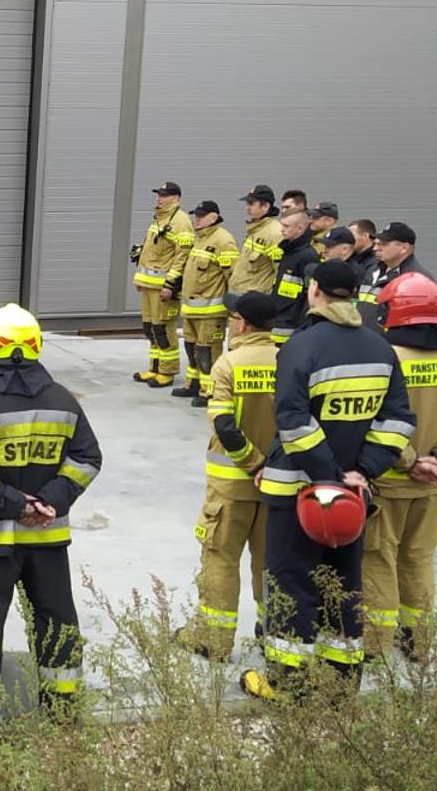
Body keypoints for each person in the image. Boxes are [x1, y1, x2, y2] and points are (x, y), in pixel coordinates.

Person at [243, 261, 414, 699]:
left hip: (300, 492)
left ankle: (288, 683)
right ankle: (341, 682)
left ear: (314, 290)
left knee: (290, 581)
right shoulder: (380, 349)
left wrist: (329, 478)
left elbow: (294, 422)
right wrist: (363, 471)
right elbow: (398, 420)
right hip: (354, 495)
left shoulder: (301, 347)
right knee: (344, 583)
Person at [0, 304, 102, 715]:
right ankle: (61, 706)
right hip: (47, 537)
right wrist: (50, 501)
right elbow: (88, 458)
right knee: (56, 619)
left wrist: (15, 504)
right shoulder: (62, 400)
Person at [362, 274, 437, 660]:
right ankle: (419, 642)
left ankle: (376, 645)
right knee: (417, 560)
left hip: (387, 481)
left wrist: (412, 461)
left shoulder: (384, 358)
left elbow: (371, 420)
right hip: (434, 483)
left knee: (379, 559)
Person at [177, 292, 278, 662]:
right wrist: (271, 468)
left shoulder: (228, 364)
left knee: (220, 560)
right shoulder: (290, 361)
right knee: (271, 564)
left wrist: (252, 464)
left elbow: (224, 424)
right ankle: (274, 636)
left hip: (233, 486)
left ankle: (213, 641)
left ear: (242, 323)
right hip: (277, 487)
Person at [175, 200, 238, 405]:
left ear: (214, 217)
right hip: (192, 310)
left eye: (201, 216)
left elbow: (231, 276)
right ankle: (193, 385)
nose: (197, 219)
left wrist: (233, 306)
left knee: (208, 352)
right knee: (192, 348)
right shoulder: (199, 239)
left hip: (211, 312)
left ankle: (210, 392)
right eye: (196, 216)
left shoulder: (223, 240)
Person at [133, 181, 195, 388]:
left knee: (163, 330)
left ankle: (167, 372)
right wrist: (139, 278)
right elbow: (149, 251)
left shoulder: (181, 221)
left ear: (176, 198)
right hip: (149, 286)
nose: (159, 198)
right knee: (150, 328)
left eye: (164, 195)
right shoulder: (159, 219)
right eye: (158, 194)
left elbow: (182, 256)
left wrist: (171, 285)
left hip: (164, 289)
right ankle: (154, 368)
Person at [357, 222, 434, 327]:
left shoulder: (417, 281)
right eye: (376, 243)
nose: (375, 248)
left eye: (383, 244)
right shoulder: (373, 270)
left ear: (404, 248)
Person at [268, 211, 317, 345]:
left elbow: (311, 295)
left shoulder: (307, 256)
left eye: (286, 226)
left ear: (300, 228)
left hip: (292, 325)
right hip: (279, 319)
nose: (281, 229)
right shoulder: (289, 251)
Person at [230, 185, 284, 299]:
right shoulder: (256, 230)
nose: (247, 208)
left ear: (265, 206)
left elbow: (280, 271)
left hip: (256, 299)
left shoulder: (275, 233)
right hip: (241, 296)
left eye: (251, 204)